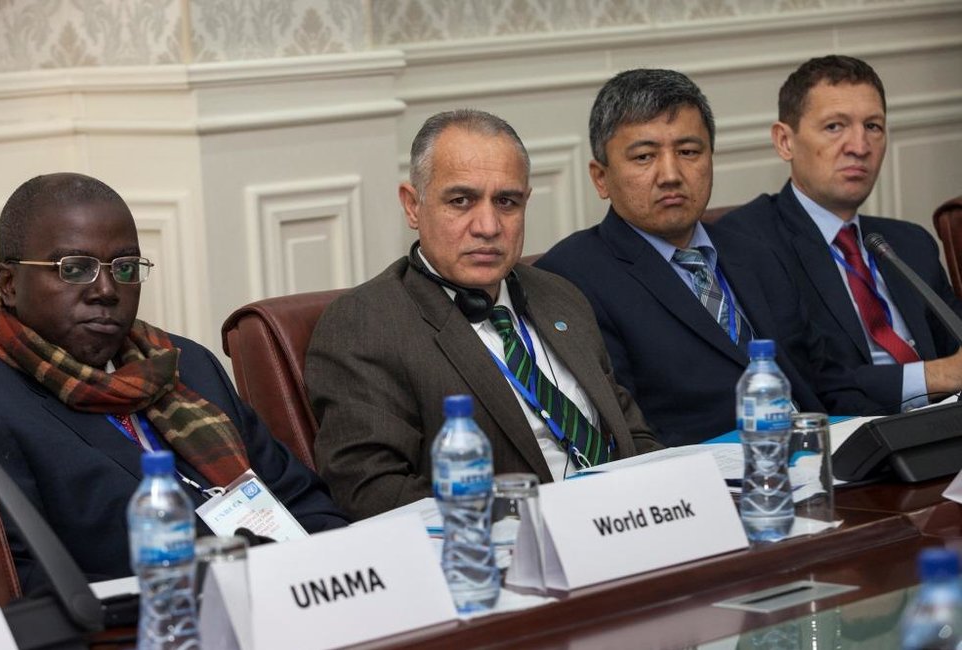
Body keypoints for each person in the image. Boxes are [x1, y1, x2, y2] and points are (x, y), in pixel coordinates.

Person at [0, 173, 347, 593]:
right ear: (9, 284)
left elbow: (302, 501)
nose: (107, 290)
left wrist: (332, 573)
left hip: (286, 597)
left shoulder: (183, 363)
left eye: (125, 268)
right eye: (74, 269)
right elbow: (21, 581)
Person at [307, 109, 661, 520]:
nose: (489, 226)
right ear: (413, 205)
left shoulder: (559, 295)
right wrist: (542, 520)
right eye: (461, 201)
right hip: (511, 544)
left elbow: (631, 434)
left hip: (629, 522)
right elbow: (373, 493)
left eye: (506, 202)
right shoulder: (366, 324)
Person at [536, 69, 879, 446]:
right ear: (601, 178)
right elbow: (625, 431)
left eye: (688, 152)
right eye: (644, 156)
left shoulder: (754, 252)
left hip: (823, 453)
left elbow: (827, 380)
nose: (671, 175)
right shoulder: (573, 277)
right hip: (705, 473)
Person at [719, 55, 962, 411]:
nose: (859, 147)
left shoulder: (911, 243)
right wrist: (936, 376)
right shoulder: (748, 242)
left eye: (873, 126)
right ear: (784, 141)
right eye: (835, 126)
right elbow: (802, 380)